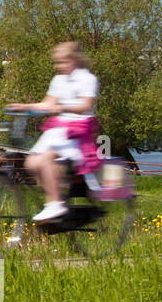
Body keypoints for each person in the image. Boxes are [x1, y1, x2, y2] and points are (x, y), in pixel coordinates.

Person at [8, 41, 99, 223]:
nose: (58, 66)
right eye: (57, 63)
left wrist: (63, 107)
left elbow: (86, 105)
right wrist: (24, 107)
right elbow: (47, 104)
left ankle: (55, 204)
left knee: (45, 157)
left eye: (63, 62)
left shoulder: (88, 79)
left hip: (77, 131)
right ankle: (55, 199)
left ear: (74, 60)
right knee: (31, 162)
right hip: (58, 129)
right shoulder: (58, 80)